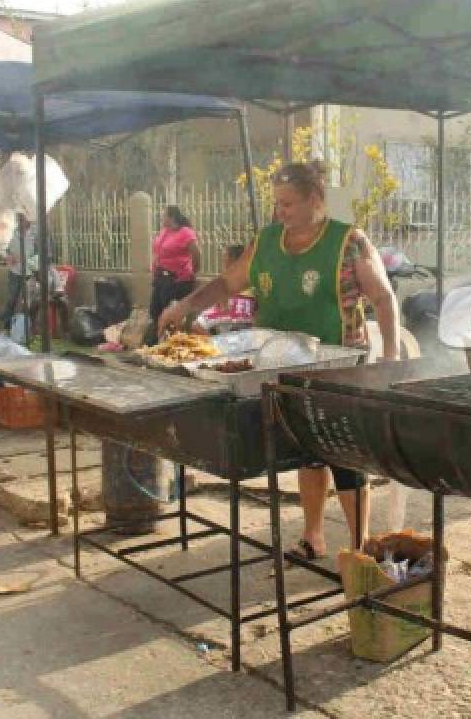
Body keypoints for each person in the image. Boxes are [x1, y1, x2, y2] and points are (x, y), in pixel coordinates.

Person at [158, 161, 400, 559]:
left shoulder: (347, 241)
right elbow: (225, 283)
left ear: (315, 200)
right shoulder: (265, 242)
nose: (280, 212)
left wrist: (389, 358)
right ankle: (313, 536)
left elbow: (384, 298)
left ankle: (361, 551)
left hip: (338, 368)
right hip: (280, 368)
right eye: (277, 204)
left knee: (344, 457)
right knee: (308, 452)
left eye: (288, 204)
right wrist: (184, 306)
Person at [149, 205, 200, 344]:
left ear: (171, 217)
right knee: (155, 310)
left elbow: (196, 254)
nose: (161, 218)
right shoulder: (165, 231)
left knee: (171, 314)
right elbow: (157, 251)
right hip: (161, 278)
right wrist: (154, 269)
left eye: (164, 215)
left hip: (177, 280)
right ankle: (158, 341)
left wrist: (192, 272)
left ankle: (172, 343)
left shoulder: (185, 232)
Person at [191, 244, 256, 334]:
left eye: (225, 259)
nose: (223, 263)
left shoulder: (224, 285)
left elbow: (197, 326)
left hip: (231, 320)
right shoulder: (253, 282)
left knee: (197, 325)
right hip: (247, 325)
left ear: (231, 261)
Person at [2, 214, 37, 331]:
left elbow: (39, 251)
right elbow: (3, 248)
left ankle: (27, 326)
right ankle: (7, 324)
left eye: (25, 219)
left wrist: (32, 263)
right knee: (12, 298)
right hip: (15, 270)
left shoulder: (34, 233)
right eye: (20, 219)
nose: (23, 222)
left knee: (28, 300)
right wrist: (8, 256)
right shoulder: (12, 233)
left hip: (30, 271)